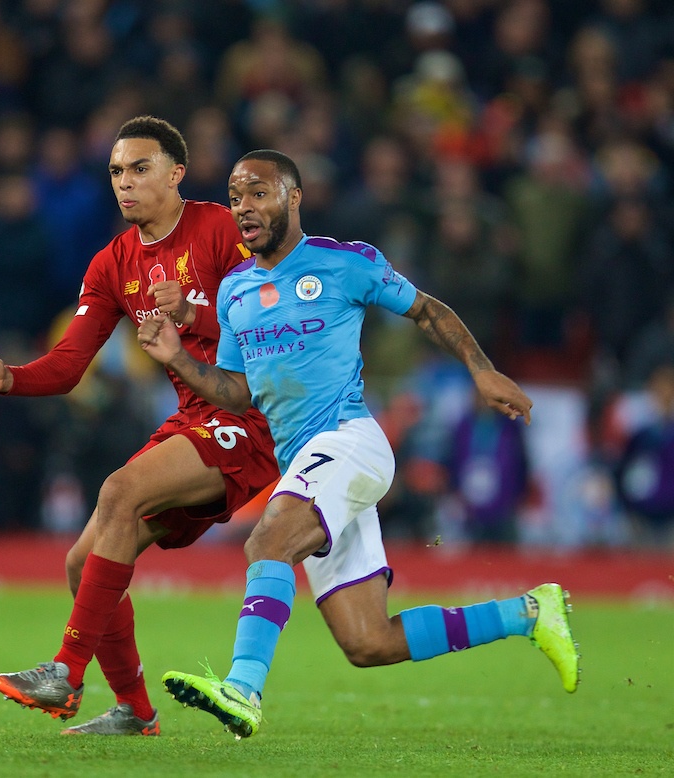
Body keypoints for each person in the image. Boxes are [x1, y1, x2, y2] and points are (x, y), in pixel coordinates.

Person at [136, 150, 580, 739]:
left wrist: (482, 370)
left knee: (268, 539)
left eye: (258, 193)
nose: (243, 206)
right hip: (309, 465)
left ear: (294, 198)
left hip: (350, 441)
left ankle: (242, 688)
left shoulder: (345, 263)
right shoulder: (234, 291)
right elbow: (237, 392)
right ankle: (529, 613)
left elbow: (425, 310)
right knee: (368, 641)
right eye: (236, 195)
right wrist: (177, 359)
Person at [0, 116, 280, 736]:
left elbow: (276, 304)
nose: (125, 183)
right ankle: (136, 710)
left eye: (140, 168)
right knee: (83, 565)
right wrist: (12, 377)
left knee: (117, 491)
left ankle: (64, 672)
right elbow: (68, 365)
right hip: (194, 420)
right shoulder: (113, 263)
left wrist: (195, 309)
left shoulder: (220, 228)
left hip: (253, 415)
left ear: (176, 173)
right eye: (115, 172)